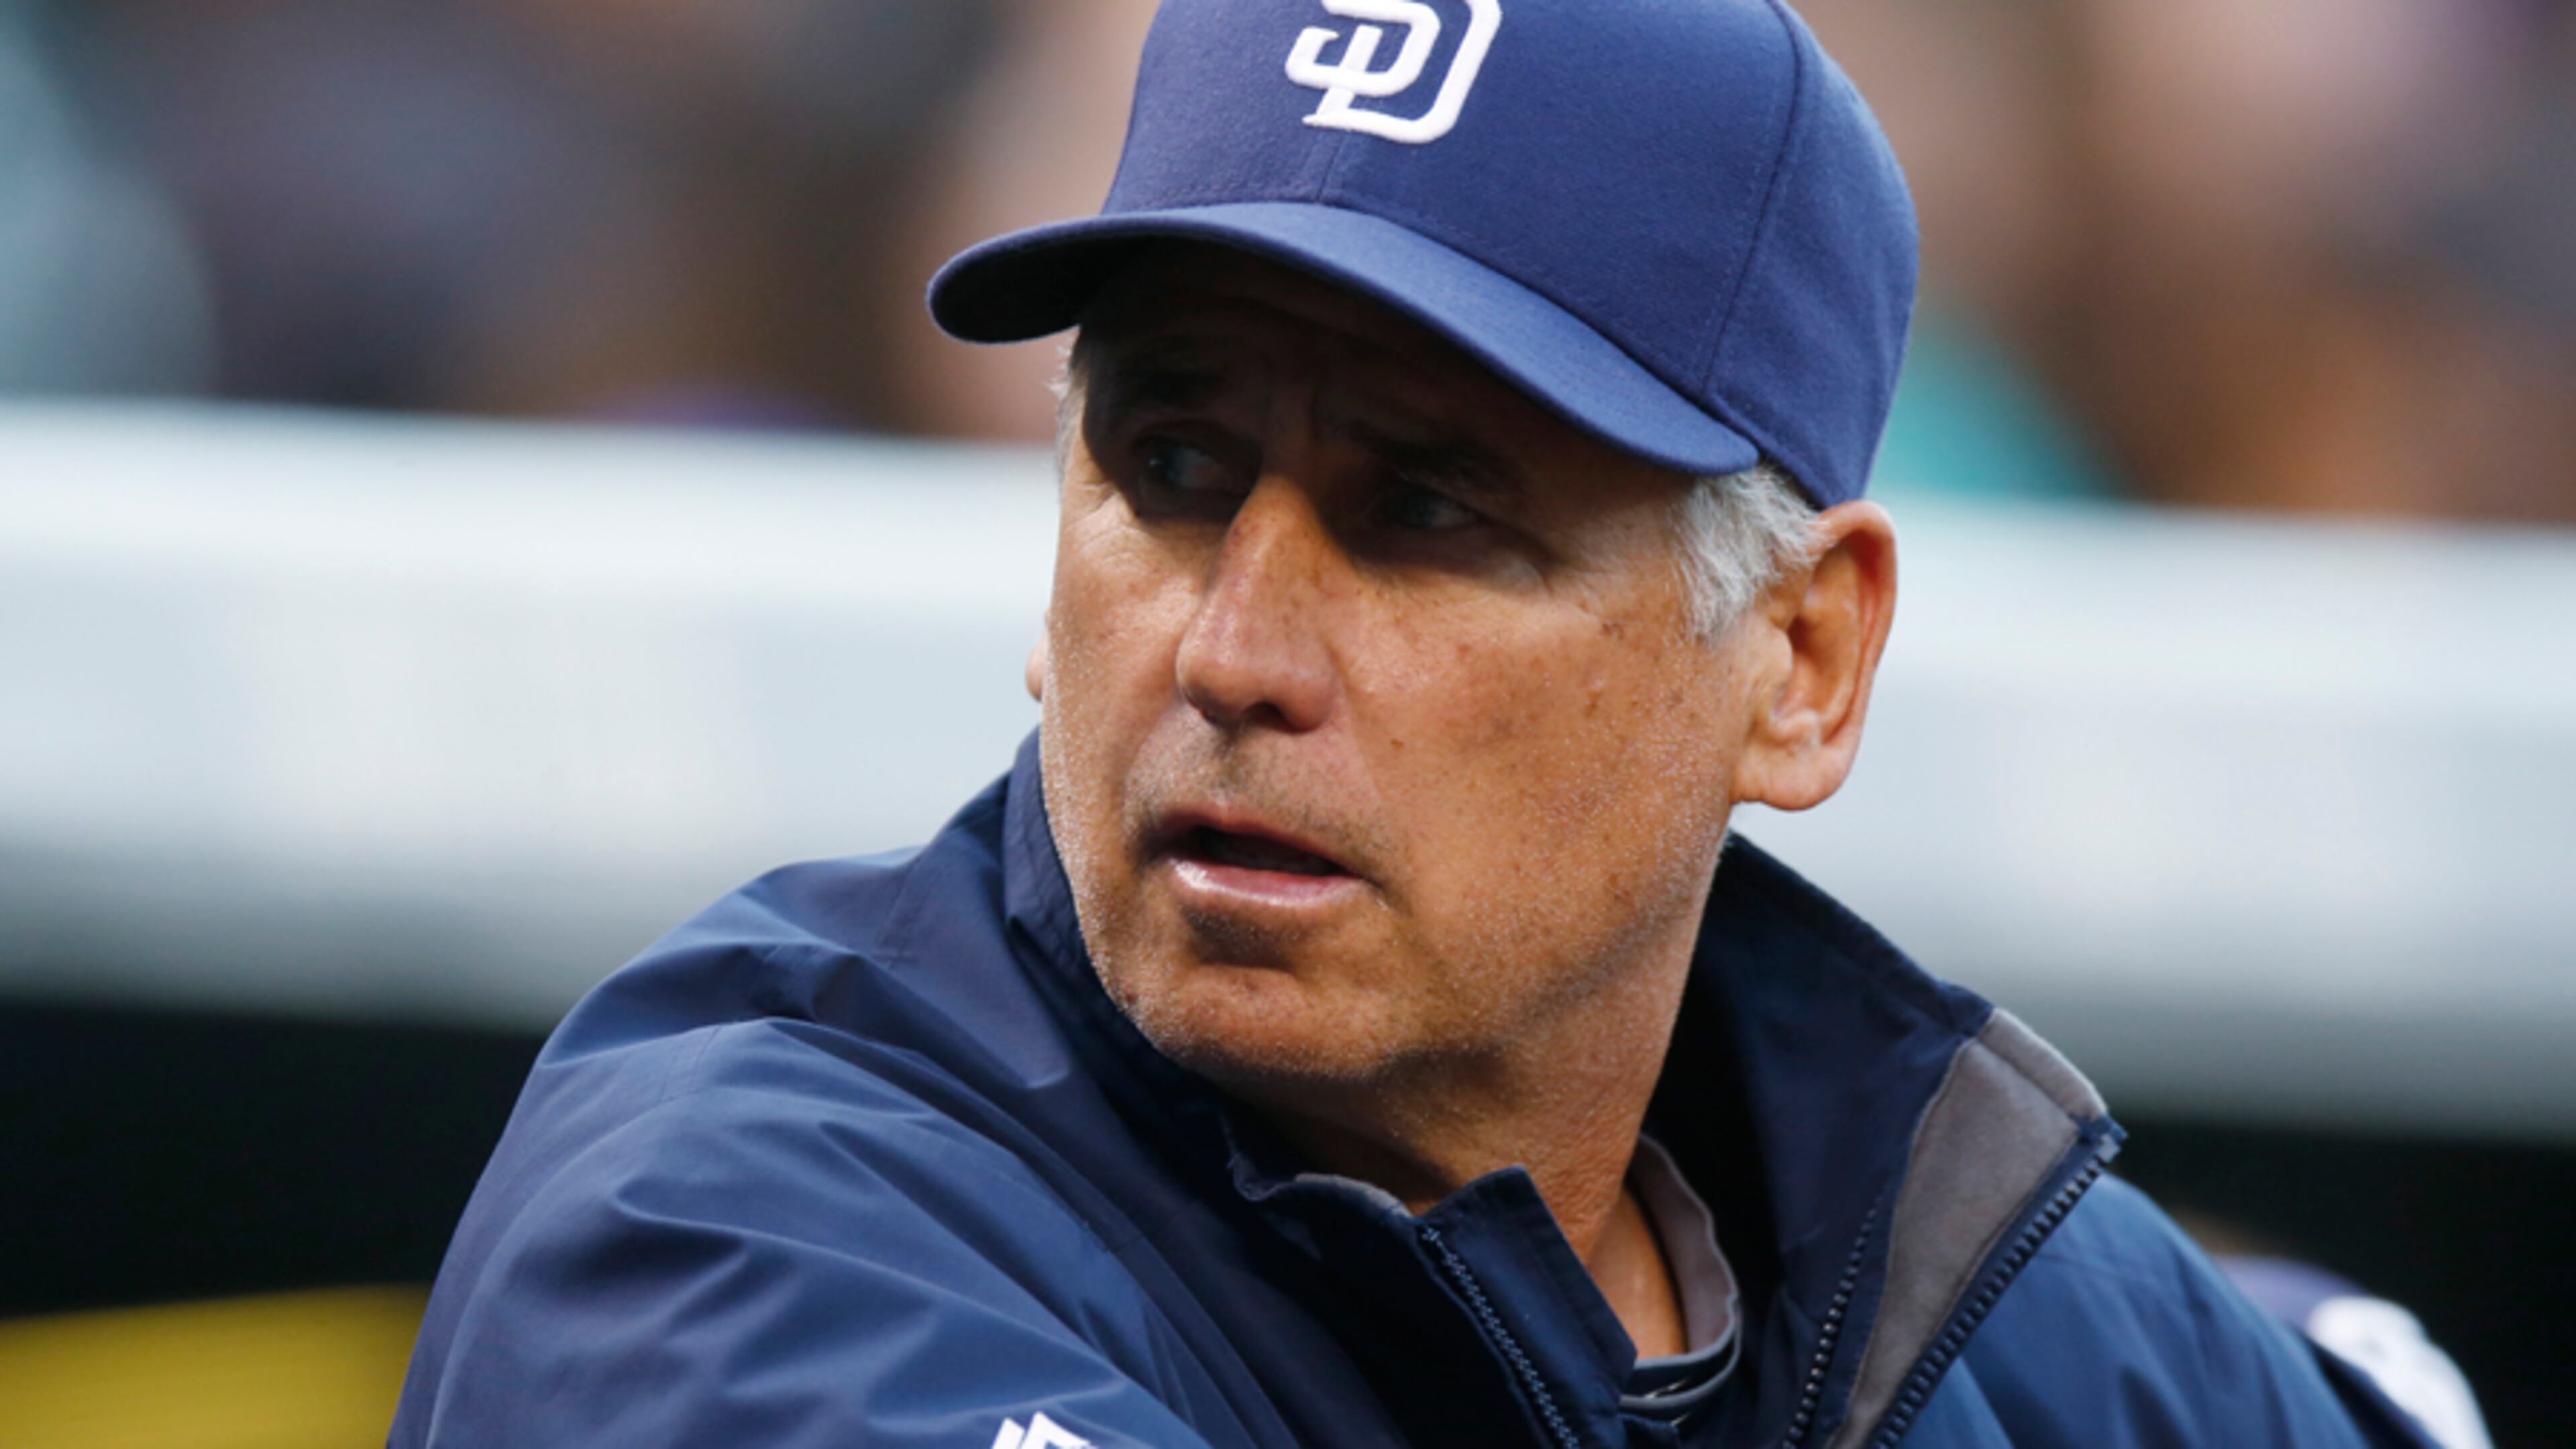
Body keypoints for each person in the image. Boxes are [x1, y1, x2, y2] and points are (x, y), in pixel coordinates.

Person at [391, 3, 2443, 1446]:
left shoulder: (2022, 1295)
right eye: (1173, 466)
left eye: (1430, 511)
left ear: (1801, 663)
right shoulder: (720, 1223)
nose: (1235, 649)